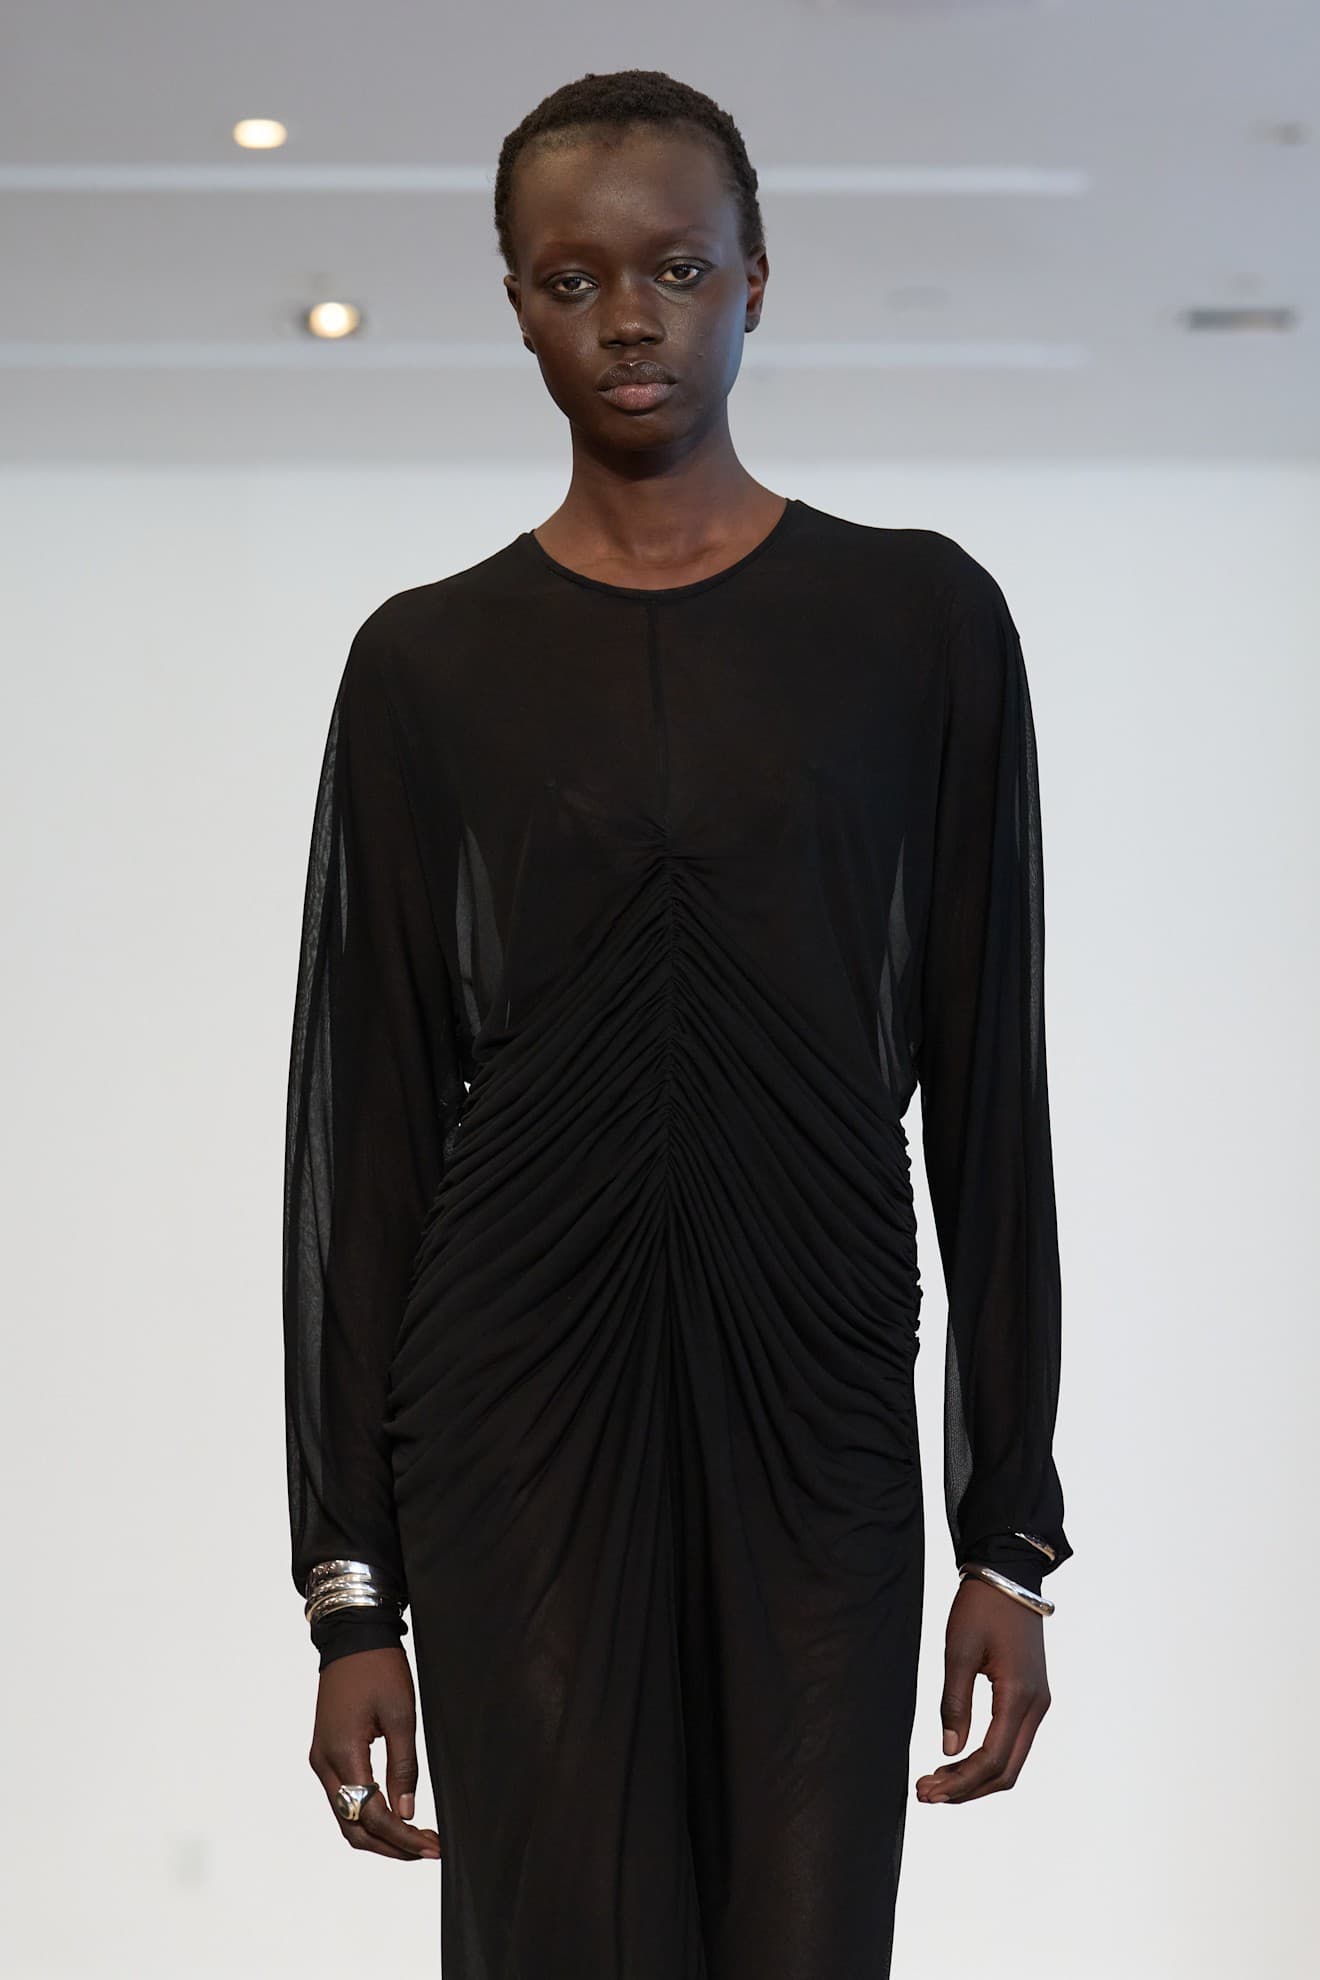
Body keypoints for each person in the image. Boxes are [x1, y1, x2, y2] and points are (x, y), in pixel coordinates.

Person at [282, 66, 1073, 1979]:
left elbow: (990, 1088)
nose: (628, 318)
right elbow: (364, 1134)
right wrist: (352, 1598)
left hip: (816, 1395)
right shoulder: (427, 664)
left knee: (806, 1936)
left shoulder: (919, 624)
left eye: (677, 269)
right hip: (515, 1413)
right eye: (573, 280)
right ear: (516, 304)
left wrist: (1008, 1535)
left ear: (756, 280)